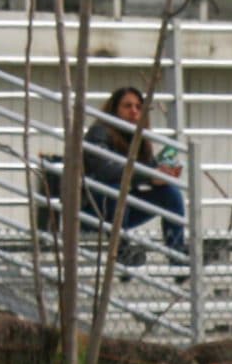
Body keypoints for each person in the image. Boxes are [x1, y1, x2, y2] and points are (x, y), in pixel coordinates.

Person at [80, 87, 188, 261]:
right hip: (93, 210)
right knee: (116, 190)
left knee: (170, 193)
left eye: (138, 107)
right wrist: (149, 175)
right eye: (127, 106)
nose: (134, 111)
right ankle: (120, 251)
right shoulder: (99, 132)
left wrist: (163, 175)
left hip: (122, 211)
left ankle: (177, 252)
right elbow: (105, 171)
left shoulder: (138, 137)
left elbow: (148, 170)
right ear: (114, 109)